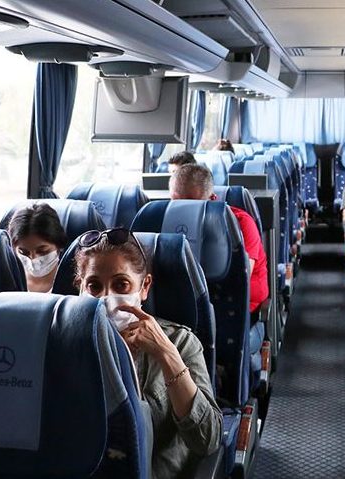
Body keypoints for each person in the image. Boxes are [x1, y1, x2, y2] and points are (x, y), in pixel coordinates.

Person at [73, 227, 222, 477]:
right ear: (80, 288)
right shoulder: (66, 343)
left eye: (121, 284)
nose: (106, 297)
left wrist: (167, 354)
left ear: (144, 287)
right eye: (94, 286)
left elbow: (207, 439)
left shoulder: (179, 342)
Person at [170, 164, 269, 313]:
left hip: (236, 306)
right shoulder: (167, 220)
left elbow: (241, 278)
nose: (184, 212)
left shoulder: (241, 223)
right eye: (177, 203)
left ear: (212, 199)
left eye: (192, 205)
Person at [7, 203, 68, 293]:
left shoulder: (75, 281)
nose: (33, 259)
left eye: (42, 251)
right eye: (24, 252)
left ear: (59, 245)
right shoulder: (7, 280)